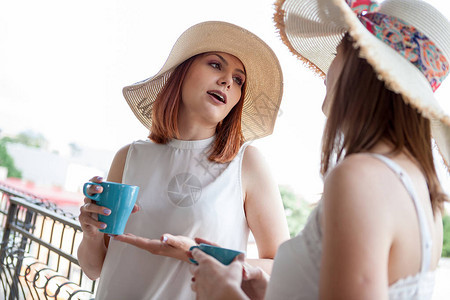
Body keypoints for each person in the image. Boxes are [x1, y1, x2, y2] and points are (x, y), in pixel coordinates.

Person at [190, 0, 450, 299]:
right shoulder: (422, 191)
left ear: (360, 68)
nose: (326, 74)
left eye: (336, 55)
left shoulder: (360, 178)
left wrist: (222, 291)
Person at [76, 21, 290, 299]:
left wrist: (197, 254)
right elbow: (94, 269)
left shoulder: (246, 163)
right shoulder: (129, 156)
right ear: (181, 73)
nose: (228, 81)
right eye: (216, 65)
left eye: (238, 80)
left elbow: (282, 267)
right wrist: (91, 233)